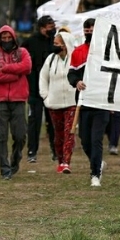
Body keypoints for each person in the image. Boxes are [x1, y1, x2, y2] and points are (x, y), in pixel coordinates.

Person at [68, 18, 110, 187]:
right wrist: (76, 82)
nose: (89, 31)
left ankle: (95, 174)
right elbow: (71, 74)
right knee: (85, 140)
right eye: (87, 28)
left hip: (101, 103)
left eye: (92, 28)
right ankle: (97, 161)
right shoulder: (77, 52)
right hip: (83, 104)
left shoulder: (106, 52)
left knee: (96, 139)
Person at [0, 25, 32, 180]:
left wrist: (6, 68)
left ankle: (15, 160)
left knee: (20, 136)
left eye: (9, 37)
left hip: (18, 99)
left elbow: (26, 67)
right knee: (0, 136)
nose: (6, 40)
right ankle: (4, 169)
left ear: (14, 38)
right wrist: (14, 75)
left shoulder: (23, 53)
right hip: (0, 101)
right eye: (3, 38)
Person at [39, 31, 78, 174]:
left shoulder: (74, 58)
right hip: (54, 103)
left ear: (65, 44)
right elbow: (43, 78)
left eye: (57, 43)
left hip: (72, 102)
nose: (54, 46)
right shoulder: (50, 59)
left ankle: (66, 163)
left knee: (69, 133)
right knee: (58, 135)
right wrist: (45, 97)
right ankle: (60, 160)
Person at [21, 15, 57, 163]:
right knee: (34, 122)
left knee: (53, 122)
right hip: (35, 90)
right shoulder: (30, 43)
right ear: (42, 28)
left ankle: (56, 151)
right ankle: (32, 151)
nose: (53, 30)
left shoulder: (54, 42)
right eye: (50, 27)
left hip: (52, 90)